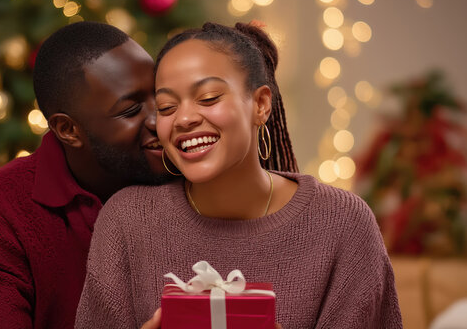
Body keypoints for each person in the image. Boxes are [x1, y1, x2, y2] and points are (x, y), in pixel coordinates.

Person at [75, 22, 403, 328]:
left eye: (208, 98)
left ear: (260, 104)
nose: (184, 118)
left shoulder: (343, 223)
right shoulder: (127, 221)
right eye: (166, 107)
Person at [0, 21, 170, 328]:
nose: (162, 121)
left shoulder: (193, 177)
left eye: (162, 98)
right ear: (68, 130)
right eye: (130, 110)